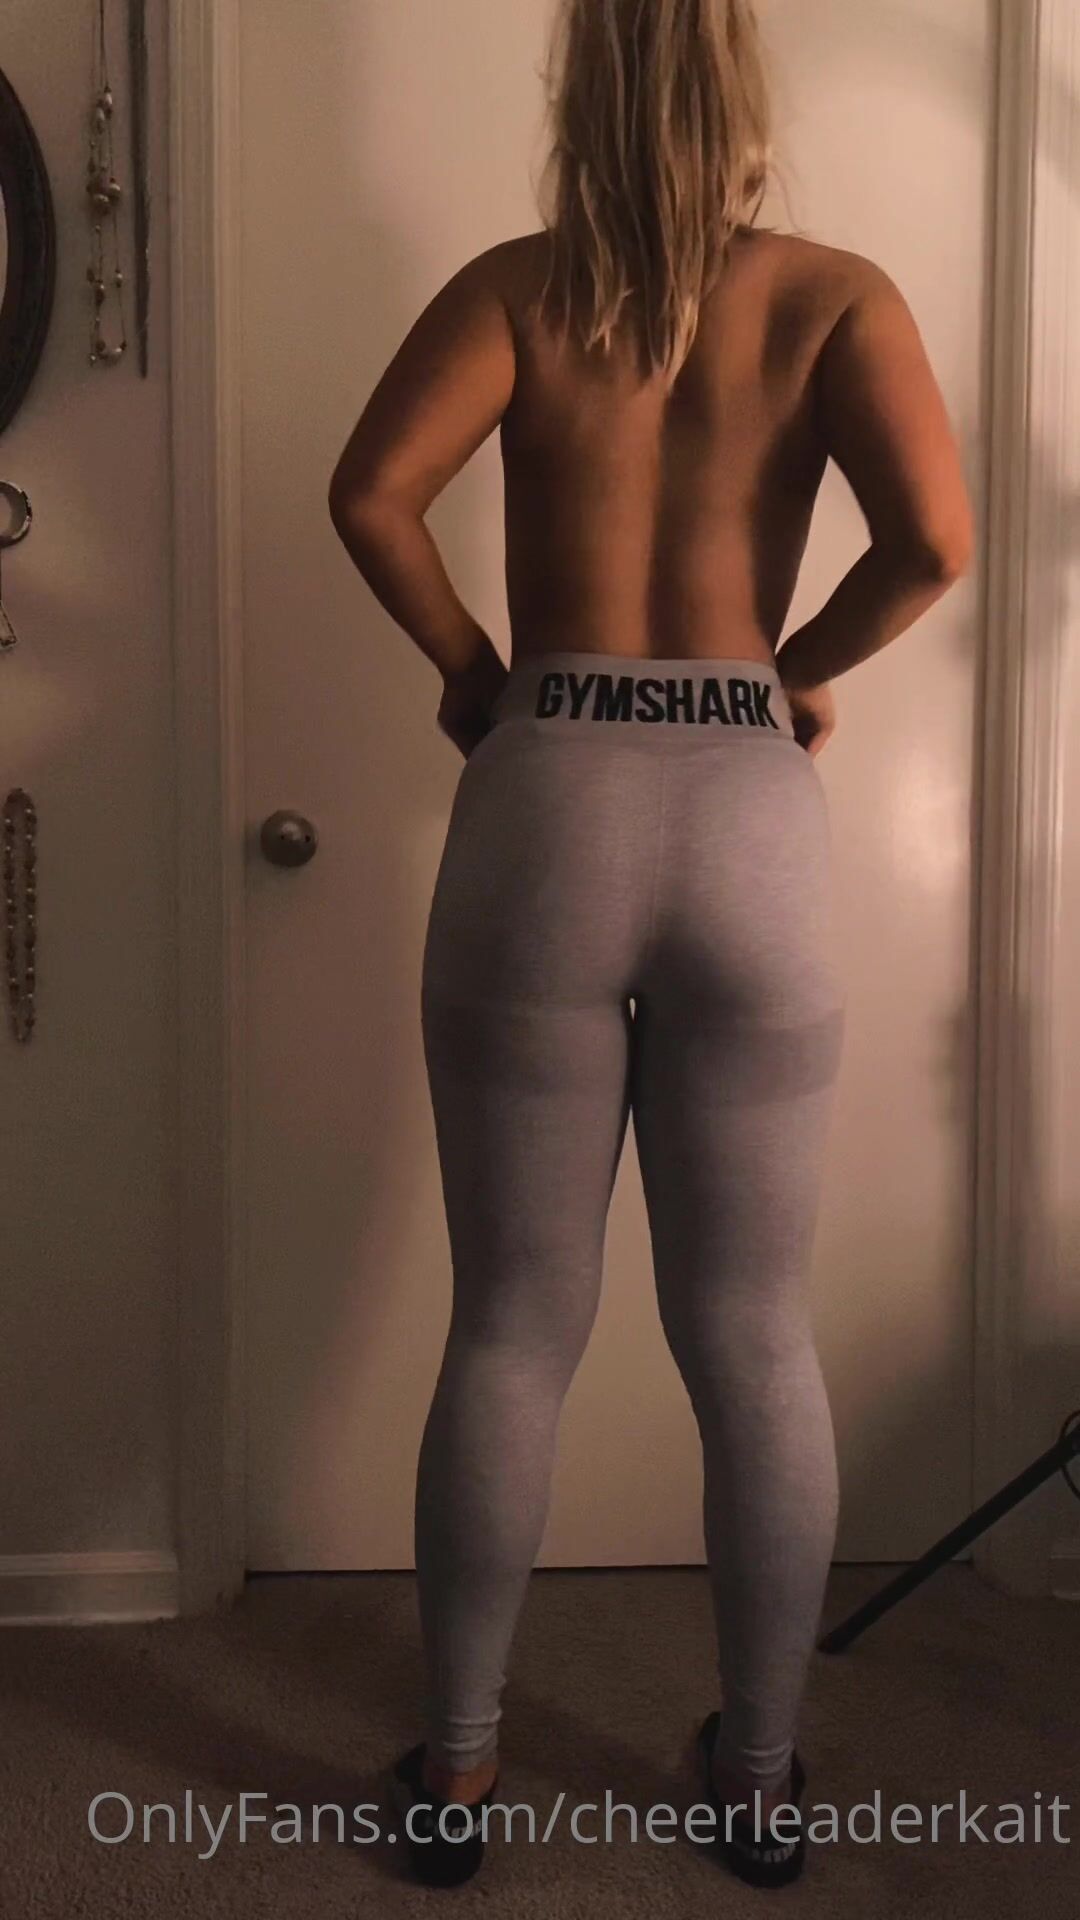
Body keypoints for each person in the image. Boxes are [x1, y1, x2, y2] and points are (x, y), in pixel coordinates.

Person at [328, 0, 974, 1891]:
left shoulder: (520, 290)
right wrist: (791, 671)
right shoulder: (834, 300)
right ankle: (758, 1784)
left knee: (513, 1326)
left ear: (578, 86)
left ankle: (458, 1773)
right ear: (744, 88)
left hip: (549, 795)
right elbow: (934, 542)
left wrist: (477, 674)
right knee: (754, 1332)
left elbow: (371, 495)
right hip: (742, 805)